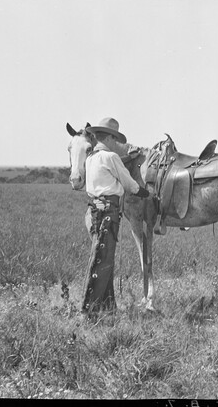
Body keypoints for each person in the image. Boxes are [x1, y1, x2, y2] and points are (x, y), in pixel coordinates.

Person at [81, 117, 150, 315]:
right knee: (103, 260)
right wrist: (145, 193)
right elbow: (129, 184)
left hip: (94, 210)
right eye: (115, 139)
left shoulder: (91, 159)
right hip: (108, 212)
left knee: (101, 258)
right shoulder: (111, 158)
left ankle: (107, 307)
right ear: (110, 138)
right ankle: (90, 310)